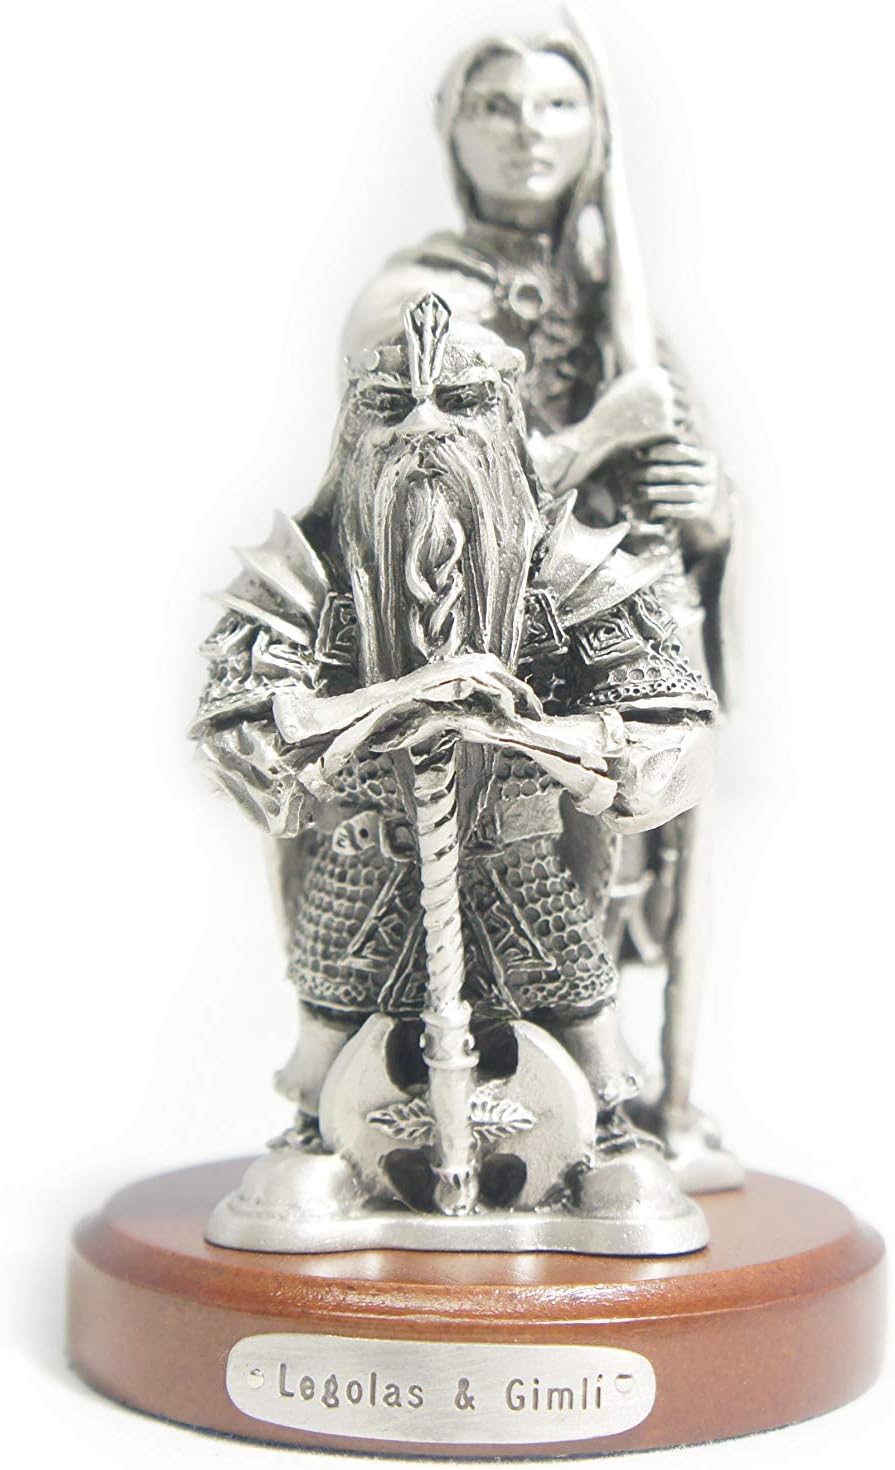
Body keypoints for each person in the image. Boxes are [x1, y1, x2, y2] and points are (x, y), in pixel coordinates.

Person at [192, 295, 716, 1247]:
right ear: (353, 427)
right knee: (329, 1029)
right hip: (367, 863)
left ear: (506, 419)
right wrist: (398, 702)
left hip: (523, 865)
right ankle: (318, 1134)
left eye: (461, 401)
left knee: (583, 1023)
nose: (423, 427)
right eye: (391, 405)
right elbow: (243, 744)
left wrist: (524, 732)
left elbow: (669, 744)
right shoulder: (300, 582)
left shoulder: (577, 573)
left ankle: (603, 1134)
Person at [343, 18, 740, 1187]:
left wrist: (710, 509)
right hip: (478, 642)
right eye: (497, 106)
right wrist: (601, 431)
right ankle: (514, 1116)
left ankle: (635, 1107)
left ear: (594, 134)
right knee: (507, 880)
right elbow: (425, 481)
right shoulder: (413, 298)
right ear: (453, 132)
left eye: (558, 107)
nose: (528, 132)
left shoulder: (614, 300)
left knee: (641, 849)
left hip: (624, 630)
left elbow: (687, 484)